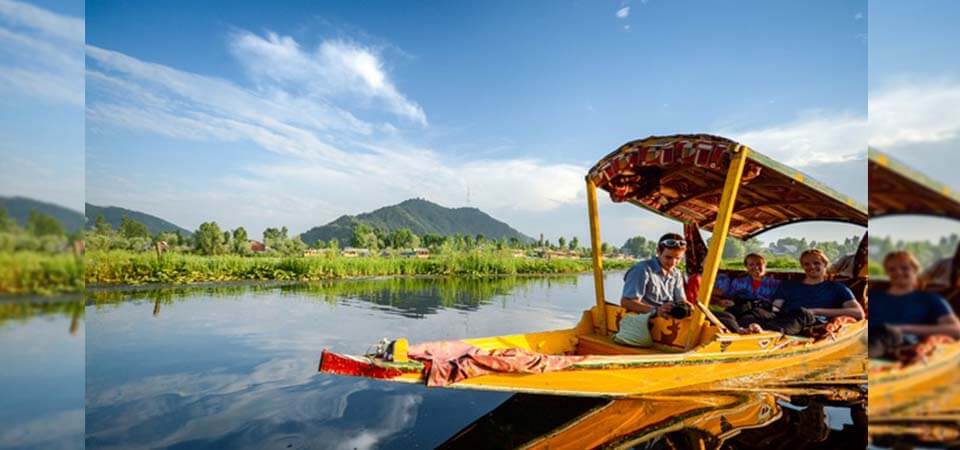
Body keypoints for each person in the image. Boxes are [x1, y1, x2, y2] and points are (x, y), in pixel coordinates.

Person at [870, 251, 960, 342]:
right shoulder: (874, 296)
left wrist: (905, 328)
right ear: (887, 273)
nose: (898, 272)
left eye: (904, 268)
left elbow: (956, 329)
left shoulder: (931, 299)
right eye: (892, 269)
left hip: (905, 346)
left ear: (915, 270)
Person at [621, 233, 688, 318]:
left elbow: (681, 301)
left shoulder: (677, 273)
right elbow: (627, 302)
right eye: (668, 257)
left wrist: (687, 306)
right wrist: (656, 310)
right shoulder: (642, 270)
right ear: (658, 252)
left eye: (678, 258)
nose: (672, 263)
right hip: (643, 323)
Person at [709, 253, 779, 334]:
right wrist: (722, 302)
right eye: (751, 264)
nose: (756, 267)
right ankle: (735, 331)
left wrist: (775, 314)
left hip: (762, 310)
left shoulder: (775, 283)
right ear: (747, 267)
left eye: (759, 264)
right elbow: (729, 296)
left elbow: (779, 300)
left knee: (746, 319)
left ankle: (741, 331)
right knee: (725, 315)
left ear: (765, 265)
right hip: (741, 307)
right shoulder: (739, 282)